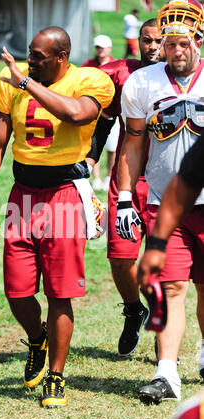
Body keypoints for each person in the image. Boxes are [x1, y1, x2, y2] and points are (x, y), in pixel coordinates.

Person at [0, 26, 114, 409]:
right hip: (23, 194)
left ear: (61, 58)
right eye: (29, 53)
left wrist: (27, 82)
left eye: (38, 56)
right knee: (16, 290)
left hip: (65, 194)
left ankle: (56, 375)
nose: (29, 60)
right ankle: (37, 337)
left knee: (59, 291)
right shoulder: (9, 82)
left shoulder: (89, 80)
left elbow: (76, 114)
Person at [116, 0, 204, 404]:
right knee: (170, 287)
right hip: (162, 202)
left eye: (184, 43)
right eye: (169, 44)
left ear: (198, 41)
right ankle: (166, 373)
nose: (176, 51)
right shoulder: (141, 83)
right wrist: (123, 197)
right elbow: (132, 144)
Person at [86, 18, 164, 357]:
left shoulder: (184, 76)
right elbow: (104, 121)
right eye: (146, 40)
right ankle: (134, 309)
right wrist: (90, 159)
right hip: (128, 177)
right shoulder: (122, 73)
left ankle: (167, 356)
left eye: (158, 41)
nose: (152, 47)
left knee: (165, 265)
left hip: (167, 180)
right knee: (120, 258)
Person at [138, 130, 204, 378]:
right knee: (171, 287)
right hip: (176, 207)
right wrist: (156, 244)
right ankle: (166, 373)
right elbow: (185, 182)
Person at [82, 35, 119, 191]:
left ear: (109, 48)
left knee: (112, 147)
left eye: (103, 47)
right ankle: (96, 178)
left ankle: (109, 176)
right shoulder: (88, 65)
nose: (100, 50)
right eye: (98, 47)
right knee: (94, 145)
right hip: (93, 112)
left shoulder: (117, 64)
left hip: (112, 112)